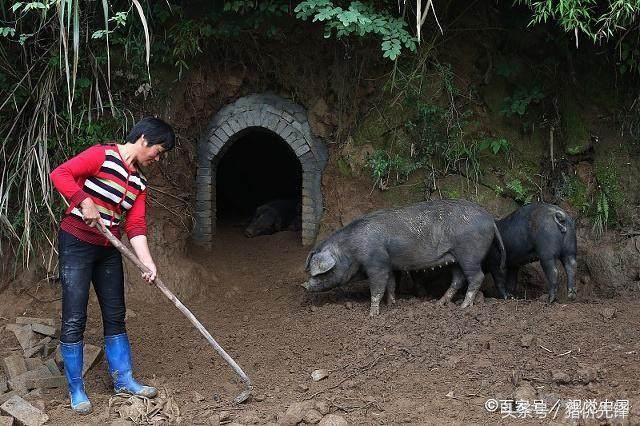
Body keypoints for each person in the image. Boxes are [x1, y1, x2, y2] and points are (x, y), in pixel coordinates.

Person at [49, 117, 175, 414]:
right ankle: (77, 388)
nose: (157, 159)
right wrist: (83, 201)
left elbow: (136, 226)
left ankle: (124, 379)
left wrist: (148, 263)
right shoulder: (102, 155)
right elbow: (61, 174)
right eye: (157, 151)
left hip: (108, 249)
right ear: (143, 139)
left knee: (116, 314)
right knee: (74, 316)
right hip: (77, 242)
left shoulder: (139, 182)